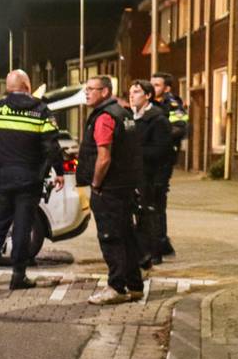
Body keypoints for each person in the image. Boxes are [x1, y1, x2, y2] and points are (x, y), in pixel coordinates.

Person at [0, 70, 64, 290]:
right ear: (27, 85)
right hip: (30, 177)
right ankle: (18, 276)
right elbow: (51, 146)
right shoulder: (41, 110)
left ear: (8, 87)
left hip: (4, 175)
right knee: (22, 226)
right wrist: (60, 171)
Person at [77, 76, 144, 305]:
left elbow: (103, 158)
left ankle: (116, 287)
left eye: (91, 89)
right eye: (85, 89)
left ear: (105, 91)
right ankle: (135, 286)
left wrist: (96, 185)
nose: (87, 93)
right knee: (127, 236)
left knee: (110, 238)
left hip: (109, 188)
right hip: (126, 186)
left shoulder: (105, 117)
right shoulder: (124, 114)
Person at [128, 80, 173, 268]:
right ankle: (143, 251)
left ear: (148, 96)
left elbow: (162, 150)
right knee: (139, 214)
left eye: (137, 92)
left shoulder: (157, 119)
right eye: (130, 92)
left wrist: (133, 151)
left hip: (152, 177)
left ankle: (154, 253)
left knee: (151, 215)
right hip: (137, 176)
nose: (132, 95)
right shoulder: (131, 118)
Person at [149, 72, 187, 257]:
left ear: (167, 88)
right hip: (150, 159)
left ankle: (160, 242)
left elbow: (180, 127)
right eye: (152, 83)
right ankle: (159, 241)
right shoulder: (148, 103)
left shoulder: (172, 104)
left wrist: (158, 137)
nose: (152, 87)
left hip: (164, 158)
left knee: (157, 198)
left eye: (157, 84)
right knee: (151, 200)